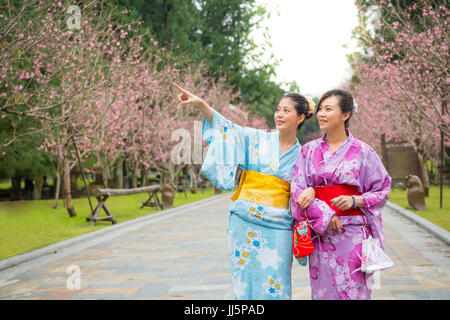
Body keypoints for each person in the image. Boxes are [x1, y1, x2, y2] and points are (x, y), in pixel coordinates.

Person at [173, 82, 315, 299]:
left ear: (300, 118)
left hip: (278, 224)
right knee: (244, 278)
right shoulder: (257, 139)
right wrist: (202, 105)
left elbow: (310, 185)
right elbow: (228, 129)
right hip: (244, 220)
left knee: (276, 281)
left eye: (286, 111)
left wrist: (312, 191)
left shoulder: (304, 154)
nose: (279, 114)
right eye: (278, 109)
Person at [290, 89, 391, 300]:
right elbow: (297, 190)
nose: (321, 114)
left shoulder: (364, 152)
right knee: (323, 293)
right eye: (319, 109)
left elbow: (382, 188)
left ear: (346, 114)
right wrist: (325, 212)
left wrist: (356, 199)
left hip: (353, 234)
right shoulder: (308, 151)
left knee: (355, 291)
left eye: (328, 109)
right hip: (321, 234)